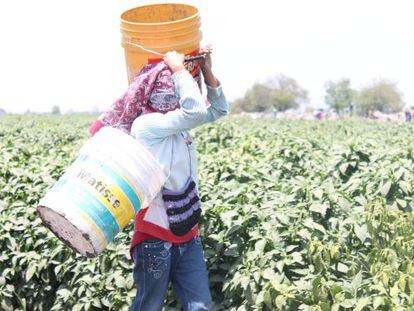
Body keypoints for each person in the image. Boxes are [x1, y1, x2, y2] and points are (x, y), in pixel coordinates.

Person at [125, 45, 228, 310]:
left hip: (188, 234)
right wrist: (179, 68)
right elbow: (194, 111)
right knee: (149, 306)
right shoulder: (146, 125)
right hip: (155, 238)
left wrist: (205, 67)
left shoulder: (180, 126)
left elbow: (218, 110)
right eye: (177, 84)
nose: (184, 89)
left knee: (201, 307)